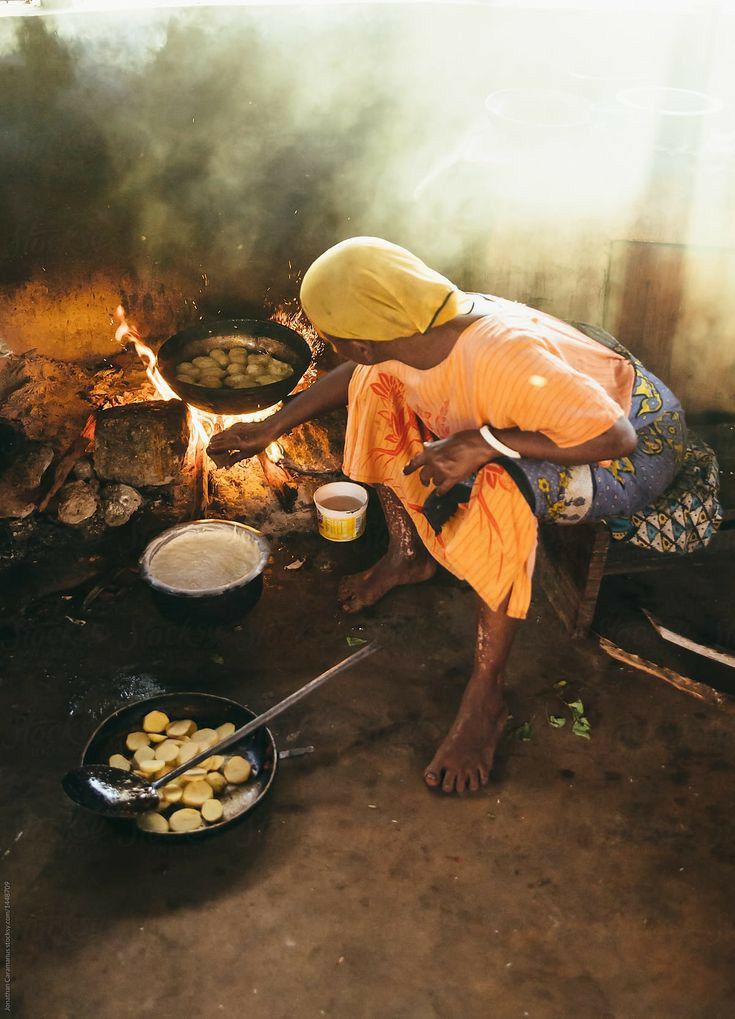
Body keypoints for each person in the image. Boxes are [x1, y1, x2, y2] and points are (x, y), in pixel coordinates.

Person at [208, 237, 686, 795]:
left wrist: (484, 444)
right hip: (568, 421)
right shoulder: (418, 325)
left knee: (493, 485)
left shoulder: (499, 354)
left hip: (633, 443)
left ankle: (487, 695)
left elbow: (616, 437)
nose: (338, 348)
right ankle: (408, 555)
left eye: (333, 336)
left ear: (359, 340)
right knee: (376, 388)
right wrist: (273, 426)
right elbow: (359, 372)